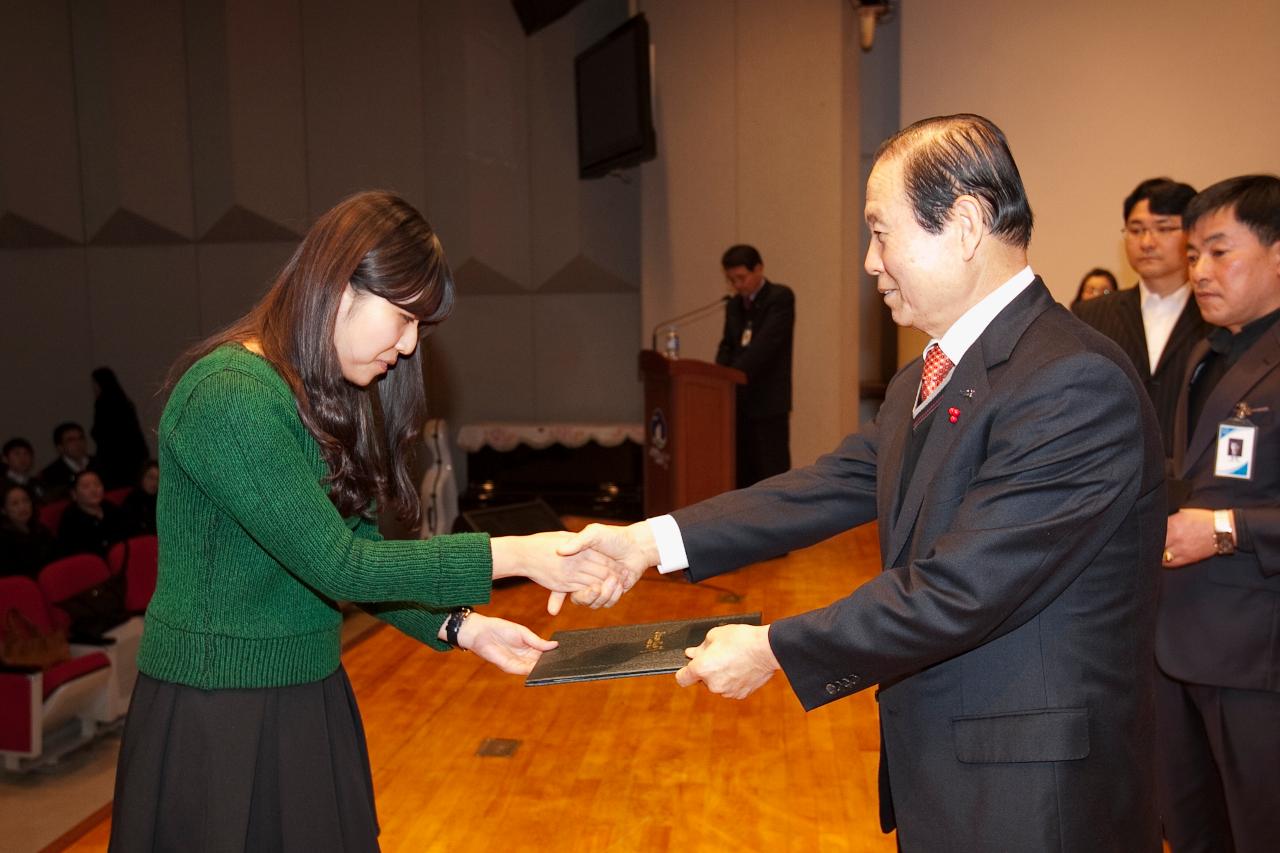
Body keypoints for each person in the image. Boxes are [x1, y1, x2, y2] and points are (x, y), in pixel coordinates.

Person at [564, 115, 1165, 852]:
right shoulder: (928, 372)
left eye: (881, 233)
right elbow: (826, 486)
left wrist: (775, 647)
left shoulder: (1071, 381)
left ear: (968, 224)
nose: (870, 262)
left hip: (1033, 796)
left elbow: (960, 589)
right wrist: (644, 543)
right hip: (946, 771)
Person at [108, 190, 624, 852]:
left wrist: (460, 625)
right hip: (219, 716)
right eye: (404, 319)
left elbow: (355, 547)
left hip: (306, 696)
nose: (409, 347)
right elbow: (338, 564)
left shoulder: (316, 395)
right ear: (340, 283)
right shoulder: (228, 396)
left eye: (421, 329)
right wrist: (519, 554)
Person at [1158, 174, 1280, 853]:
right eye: (1195, 253)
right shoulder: (1207, 350)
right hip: (1178, 647)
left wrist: (1227, 529)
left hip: (1260, 662)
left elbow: (1225, 513)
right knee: (1195, 833)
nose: (1199, 271)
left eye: (1219, 252)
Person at [1075, 178, 1210, 462]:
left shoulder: (1215, 314)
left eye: (1163, 228)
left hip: (1192, 479)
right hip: (1110, 474)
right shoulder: (1091, 315)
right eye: (1136, 230)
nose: (1147, 242)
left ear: (1192, 233)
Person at [715, 244, 795, 488]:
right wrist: (717, 375)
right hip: (737, 402)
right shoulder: (733, 305)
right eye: (731, 280)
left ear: (758, 269)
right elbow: (727, 345)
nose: (738, 286)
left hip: (768, 403)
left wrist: (730, 375)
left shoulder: (779, 298)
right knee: (741, 475)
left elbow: (764, 348)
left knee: (771, 474)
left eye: (741, 278)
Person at [90, 366, 151, 490]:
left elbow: (101, 433)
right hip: (132, 457)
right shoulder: (125, 402)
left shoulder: (103, 403)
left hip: (113, 461)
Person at [54, 469, 131, 558]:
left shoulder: (110, 507)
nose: (94, 490)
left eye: (97, 484)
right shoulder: (70, 519)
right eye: (86, 487)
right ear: (74, 494)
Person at [0, 482, 54, 579]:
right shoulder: (3, 540)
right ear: (3, 510)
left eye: (26, 501)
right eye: (15, 504)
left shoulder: (40, 528)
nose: (22, 507)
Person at [38, 421, 94, 501]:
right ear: (60, 447)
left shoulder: (100, 463)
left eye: (81, 438)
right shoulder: (50, 474)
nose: (78, 443)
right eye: (71, 440)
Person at [120, 459, 159, 536]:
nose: (154, 482)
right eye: (151, 477)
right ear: (142, 477)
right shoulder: (132, 500)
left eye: (158, 479)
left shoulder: (162, 500)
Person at [2, 437, 45, 502]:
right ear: (5, 459)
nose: (22, 458)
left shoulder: (36, 482)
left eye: (26, 453)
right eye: (17, 454)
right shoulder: (3, 486)